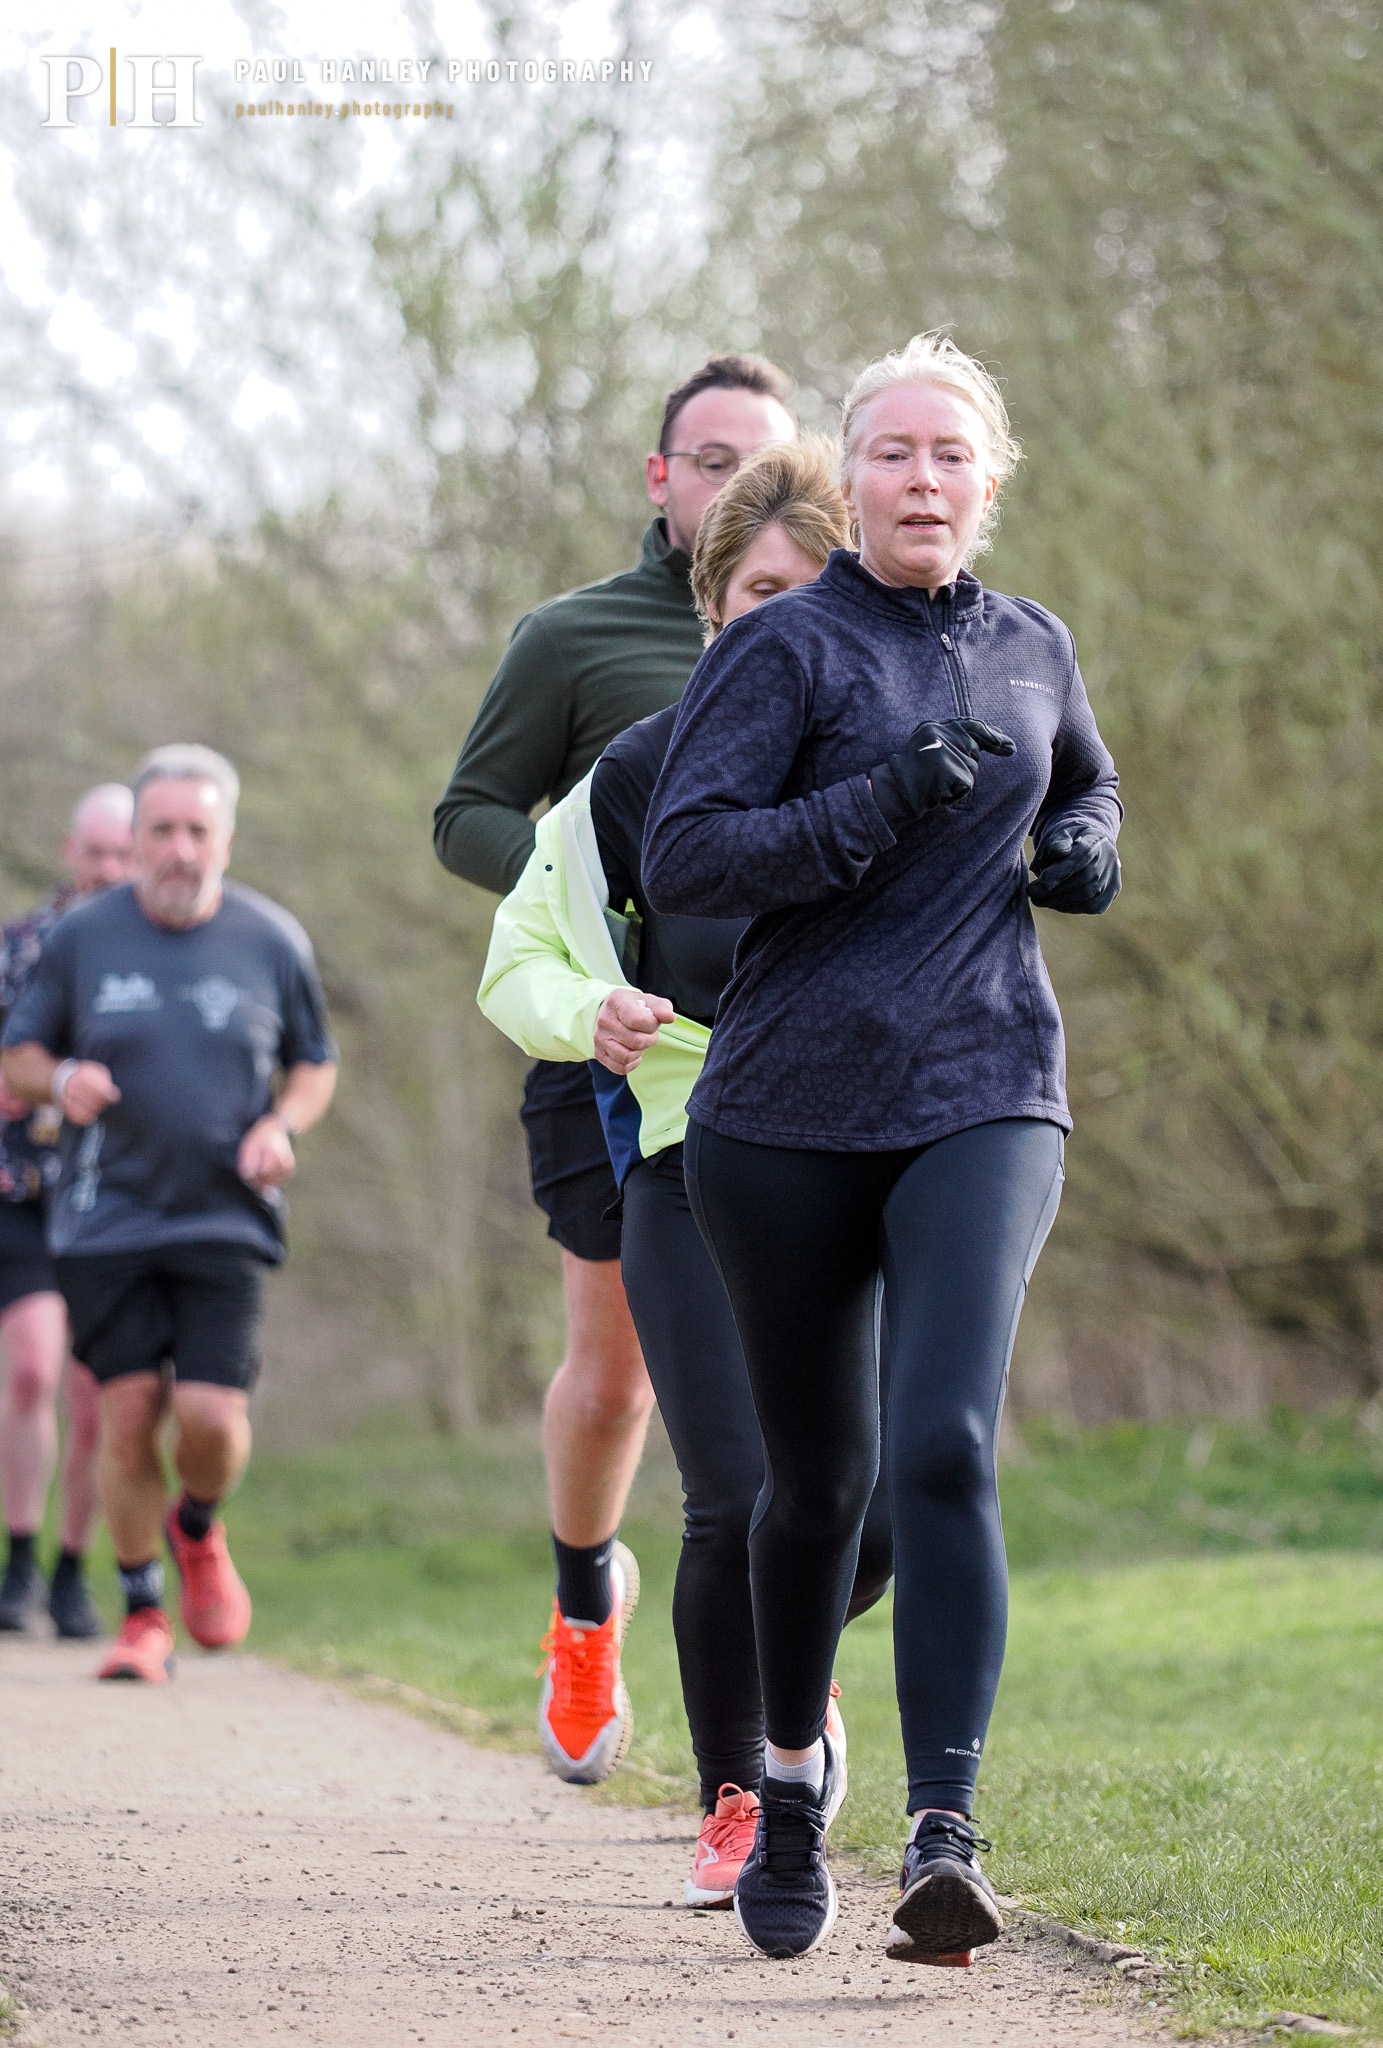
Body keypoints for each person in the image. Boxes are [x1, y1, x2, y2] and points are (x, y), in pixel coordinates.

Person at [642, 334, 1123, 1964]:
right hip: (779, 1117)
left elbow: (1088, 773)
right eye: (893, 454)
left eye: (949, 454)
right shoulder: (786, 650)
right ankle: (782, 1789)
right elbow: (687, 855)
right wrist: (880, 804)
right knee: (813, 1482)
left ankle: (944, 1833)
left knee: (944, 1448)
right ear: (854, 480)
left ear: (990, 478)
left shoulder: (1032, 643)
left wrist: (1085, 841)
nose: (923, 479)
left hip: (985, 1085)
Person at [479, 440, 894, 1906]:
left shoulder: (892, 759)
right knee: (730, 1494)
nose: (777, 619)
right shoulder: (634, 775)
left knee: (884, 1499)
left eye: (807, 591)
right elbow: (516, 959)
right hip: (686, 1158)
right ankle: (737, 1796)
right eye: (752, 593)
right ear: (713, 604)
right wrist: (585, 1011)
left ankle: (798, 1664)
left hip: (868, 1157)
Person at [435, 353, 799, 1779]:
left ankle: (785, 1677)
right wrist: (578, 900)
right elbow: (468, 810)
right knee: (618, 1379)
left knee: (786, 1385)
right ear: (661, 481)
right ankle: (585, 1601)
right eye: (705, 460)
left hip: (787, 1057)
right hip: (607, 1043)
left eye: (757, 460)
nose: (730, 483)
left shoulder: (830, 623)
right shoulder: (579, 639)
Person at [1, 745, 338, 1684]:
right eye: (163, 831)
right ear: (136, 839)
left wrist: (283, 1122)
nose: (180, 849)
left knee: (210, 1422)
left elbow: (316, 1060)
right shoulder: (82, 939)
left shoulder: (273, 939)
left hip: (226, 1217)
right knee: (125, 1409)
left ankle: (196, 1525)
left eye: (198, 830)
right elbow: (16, 1055)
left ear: (225, 838)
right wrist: (61, 1078)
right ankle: (143, 1609)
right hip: (105, 1216)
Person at [0, 784, 136, 1637]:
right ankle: (18, 1557)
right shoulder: (19, 948)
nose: (110, 871)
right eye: (97, 854)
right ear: (69, 852)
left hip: (111, 1193)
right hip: (20, 1191)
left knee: (96, 1394)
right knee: (32, 1370)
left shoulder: (157, 954)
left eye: (124, 854)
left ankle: (72, 1570)